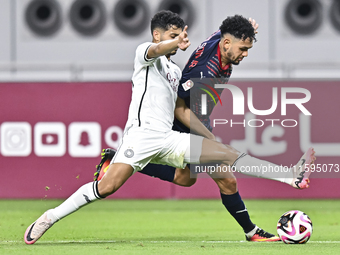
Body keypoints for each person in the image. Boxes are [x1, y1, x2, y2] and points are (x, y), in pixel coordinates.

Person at [24, 11, 315, 245]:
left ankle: (287, 179)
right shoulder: (146, 56)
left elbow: (220, 35)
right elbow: (174, 91)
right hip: (141, 137)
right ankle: (51, 216)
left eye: (180, 35)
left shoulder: (177, 70)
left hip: (170, 137)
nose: (177, 40)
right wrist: (173, 44)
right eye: (171, 36)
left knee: (209, 167)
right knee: (106, 187)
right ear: (158, 36)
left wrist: (244, 28)